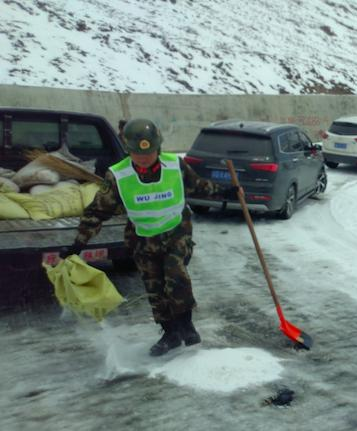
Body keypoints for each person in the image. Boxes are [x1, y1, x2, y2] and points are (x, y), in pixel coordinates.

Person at [60, 119, 240, 356]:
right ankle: (170, 333)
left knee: (175, 275)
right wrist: (78, 244)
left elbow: (198, 186)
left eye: (149, 152)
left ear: (158, 148)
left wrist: (226, 191)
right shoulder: (118, 175)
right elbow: (98, 211)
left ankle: (185, 323)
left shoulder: (175, 165)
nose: (144, 157)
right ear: (129, 150)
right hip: (142, 239)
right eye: (137, 153)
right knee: (154, 287)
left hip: (176, 233)